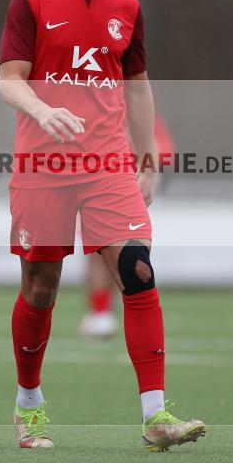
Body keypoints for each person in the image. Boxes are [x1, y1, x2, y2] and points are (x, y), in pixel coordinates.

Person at [0, 0, 205, 451]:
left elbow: (137, 86)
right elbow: (8, 80)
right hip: (43, 165)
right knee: (40, 289)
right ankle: (29, 404)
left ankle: (156, 417)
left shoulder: (129, 7)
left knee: (137, 269)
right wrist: (42, 110)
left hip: (107, 164)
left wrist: (147, 158)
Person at [80, 111, 176, 339]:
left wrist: (149, 175)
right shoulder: (93, 107)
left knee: (122, 251)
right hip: (97, 184)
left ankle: (106, 311)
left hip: (126, 188)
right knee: (99, 252)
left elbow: (163, 150)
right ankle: (101, 312)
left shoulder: (136, 109)